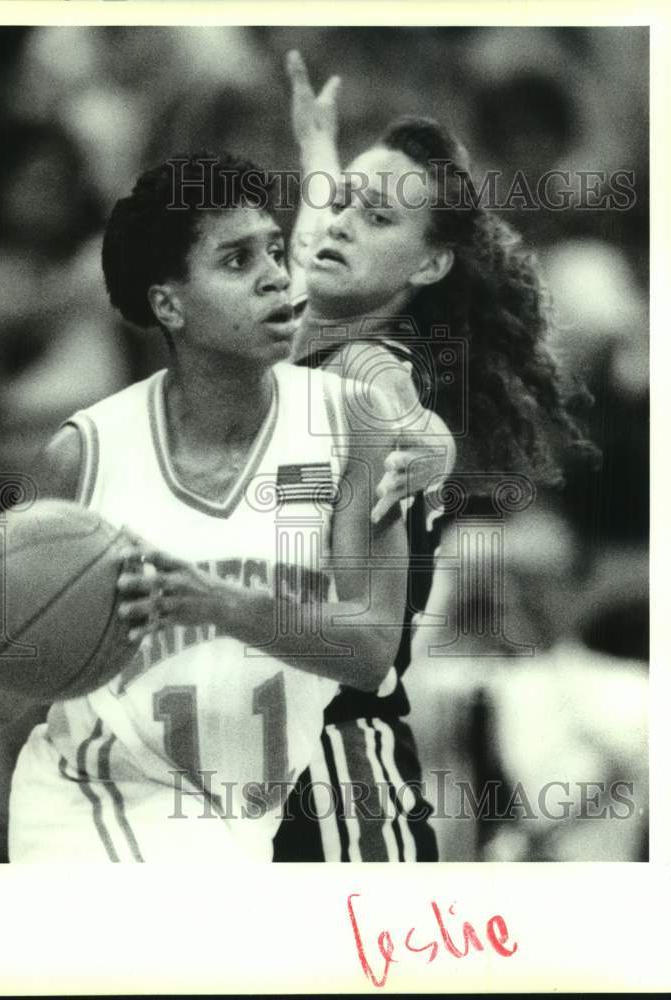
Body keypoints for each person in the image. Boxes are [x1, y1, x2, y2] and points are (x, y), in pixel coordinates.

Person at [0, 153, 410, 862]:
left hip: (252, 816)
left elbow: (372, 650)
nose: (277, 275)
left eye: (277, 251)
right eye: (237, 261)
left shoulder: (353, 426)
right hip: (94, 800)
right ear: (169, 304)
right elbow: (2, 689)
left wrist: (216, 601)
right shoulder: (81, 455)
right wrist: (12, 636)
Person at [271, 52, 594, 862]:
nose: (341, 222)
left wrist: (434, 443)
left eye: (376, 218)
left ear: (430, 263)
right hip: (259, 741)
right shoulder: (303, 308)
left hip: (340, 767)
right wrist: (318, 147)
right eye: (347, 203)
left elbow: (402, 407)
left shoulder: (376, 364)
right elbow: (320, 225)